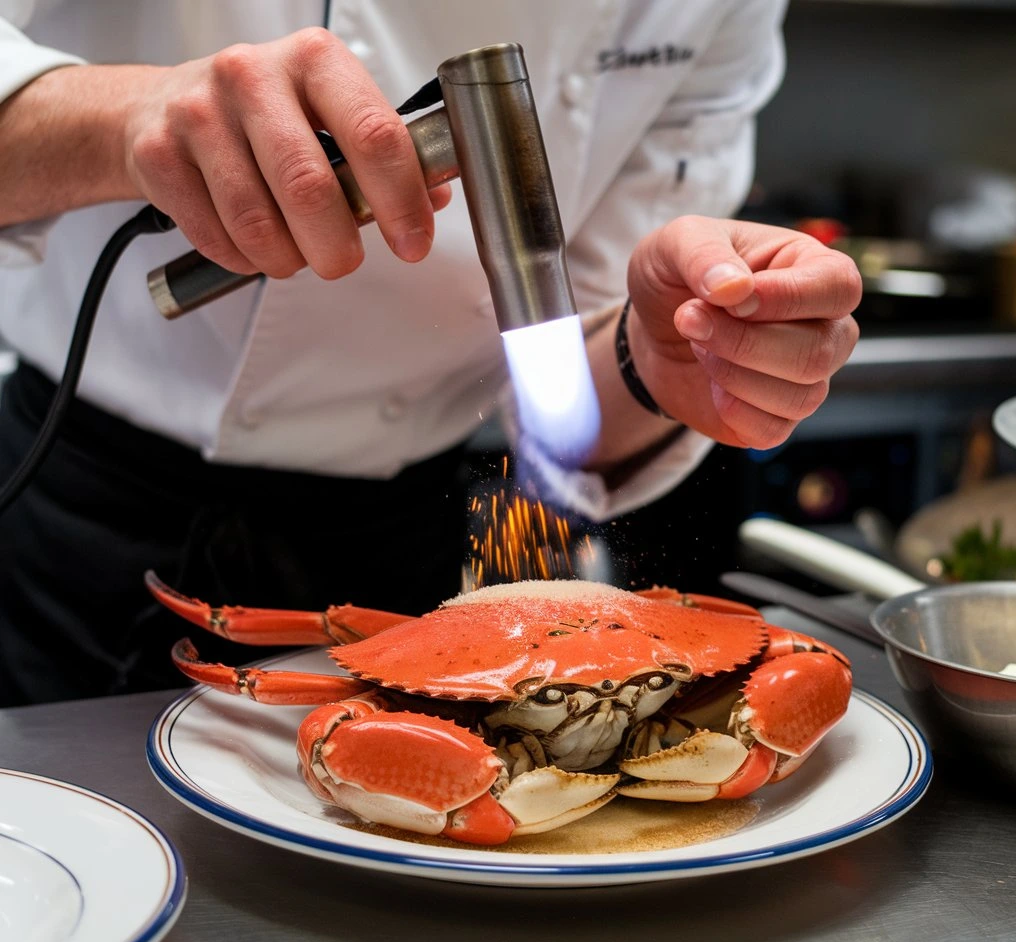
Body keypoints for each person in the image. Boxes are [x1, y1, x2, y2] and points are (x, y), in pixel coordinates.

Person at [0, 1, 861, 705]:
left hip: (402, 558)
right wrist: (122, 120)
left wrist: (653, 360)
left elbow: (560, 408)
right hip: (77, 519)